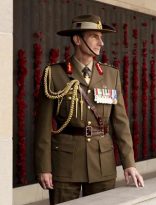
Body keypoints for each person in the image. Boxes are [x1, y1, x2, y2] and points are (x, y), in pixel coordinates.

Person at [34, 14, 144, 205]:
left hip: (102, 162)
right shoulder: (54, 74)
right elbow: (42, 126)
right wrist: (44, 167)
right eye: (94, 36)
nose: (101, 43)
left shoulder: (111, 75)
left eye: (101, 37)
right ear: (77, 39)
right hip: (65, 162)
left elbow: (121, 123)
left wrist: (129, 164)